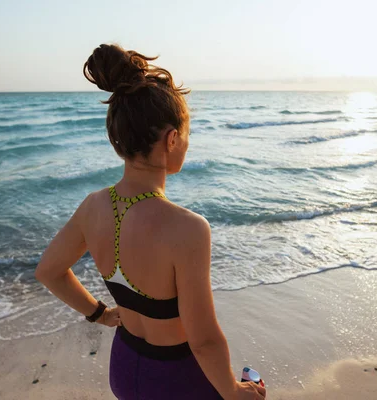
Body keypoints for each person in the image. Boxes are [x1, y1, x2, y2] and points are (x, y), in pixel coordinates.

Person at [34, 44, 266, 400]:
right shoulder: (186, 228)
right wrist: (233, 391)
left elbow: (49, 271)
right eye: (186, 134)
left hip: (125, 367)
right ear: (172, 138)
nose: (187, 143)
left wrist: (99, 314)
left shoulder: (92, 207)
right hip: (178, 378)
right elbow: (203, 340)